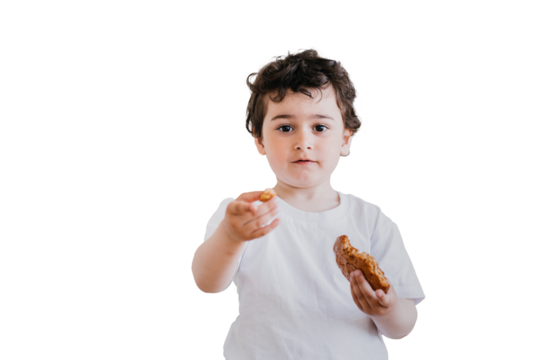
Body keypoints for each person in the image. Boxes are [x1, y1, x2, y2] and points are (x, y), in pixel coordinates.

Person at [191, 47, 425, 359]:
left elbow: (402, 329)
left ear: (345, 137)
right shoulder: (243, 213)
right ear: (259, 140)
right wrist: (232, 236)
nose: (304, 141)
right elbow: (207, 284)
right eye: (285, 127)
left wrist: (388, 308)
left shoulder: (371, 220)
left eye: (320, 127)